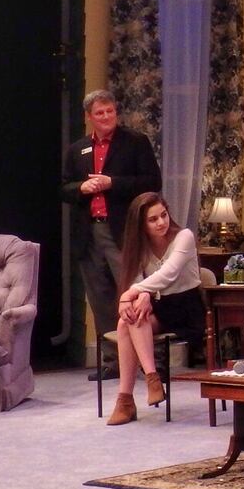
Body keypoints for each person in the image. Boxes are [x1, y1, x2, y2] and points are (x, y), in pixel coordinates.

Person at [61, 90, 161, 380]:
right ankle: (112, 361)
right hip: (89, 232)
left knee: (132, 293)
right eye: (99, 113)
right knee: (100, 298)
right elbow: (64, 187)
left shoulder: (134, 142)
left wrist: (111, 183)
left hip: (122, 231)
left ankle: (149, 359)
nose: (106, 117)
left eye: (110, 111)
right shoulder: (77, 149)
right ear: (89, 117)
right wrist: (81, 188)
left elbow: (152, 182)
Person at [105, 192, 206, 426]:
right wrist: (140, 295)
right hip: (160, 304)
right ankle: (144, 385)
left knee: (128, 319)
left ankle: (128, 399)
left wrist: (135, 293)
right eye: (153, 219)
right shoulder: (139, 246)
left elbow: (168, 273)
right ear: (141, 224)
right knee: (127, 320)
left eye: (164, 215)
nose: (161, 222)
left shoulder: (184, 236)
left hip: (186, 307)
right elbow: (135, 279)